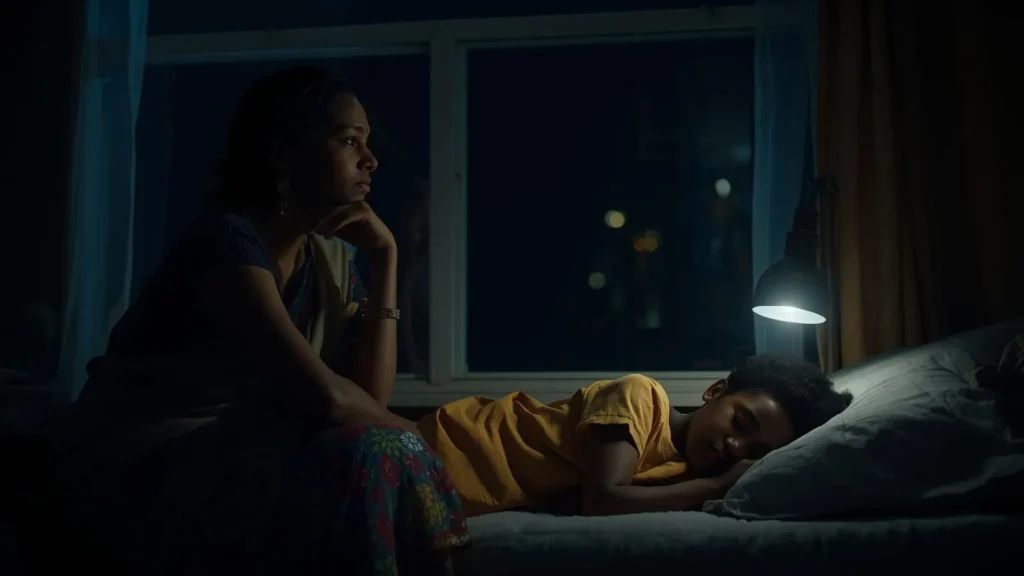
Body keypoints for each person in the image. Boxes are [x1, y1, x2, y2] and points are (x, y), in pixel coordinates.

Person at [56, 67, 468, 575]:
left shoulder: (329, 260)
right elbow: (331, 399)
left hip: (234, 458)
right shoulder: (226, 243)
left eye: (367, 143)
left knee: (377, 443)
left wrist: (386, 258)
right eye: (349, 141)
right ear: (283, 152)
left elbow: (369, 398)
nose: (370, 159)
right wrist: (415, 436)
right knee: (376, 446)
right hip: (146, 467)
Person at [418, 354, 852, 517]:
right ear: (714, 391)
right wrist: (720, 486)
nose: (735, 447)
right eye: (740, 423)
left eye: (755, 452)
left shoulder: (684, 474)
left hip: (455, 492)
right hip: (450, 445)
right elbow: (603, 499)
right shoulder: (643, 396)